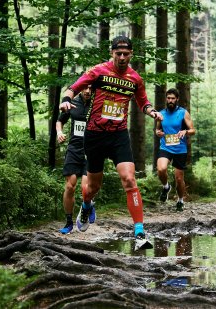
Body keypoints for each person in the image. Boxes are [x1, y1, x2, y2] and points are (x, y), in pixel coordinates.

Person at [59, 35, 163, 250]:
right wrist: (66, 100)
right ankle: (87, 205)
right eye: (118, 54)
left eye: (126, 54)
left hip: (118, 135)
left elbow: (143, 102)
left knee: (129, 180)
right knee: (92, 188)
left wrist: (152, 112)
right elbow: (74, 87)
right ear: (112, 53)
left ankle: (139, 232)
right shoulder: (98, 71)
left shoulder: (135, 79)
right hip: (95, 135)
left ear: (131, 54)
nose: (122, 57)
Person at [56, 86, 95, 234]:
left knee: (85, 189)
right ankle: (68, 222)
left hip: (90, 151)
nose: (87, 91)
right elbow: (60, 121)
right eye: (85, 89)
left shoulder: (97, 104)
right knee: (70, 186)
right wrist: (59, 132)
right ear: (80, 89)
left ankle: (88, 205)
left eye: (91, 89)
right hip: (74, 149)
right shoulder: (72, 103)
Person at [155, 88, 195, 211]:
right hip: (165, 146)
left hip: (180, 149)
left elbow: (193, 130)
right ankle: (166, 187)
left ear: (177, 99)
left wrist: (185, 131)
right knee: (161, 169)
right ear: (166, 99)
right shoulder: (161, 114)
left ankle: (180, 200)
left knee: (179, 178)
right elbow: (157, 130)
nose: (170, 100)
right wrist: (158, 133)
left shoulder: (183, 113)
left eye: (173, 98)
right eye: (168, 98)